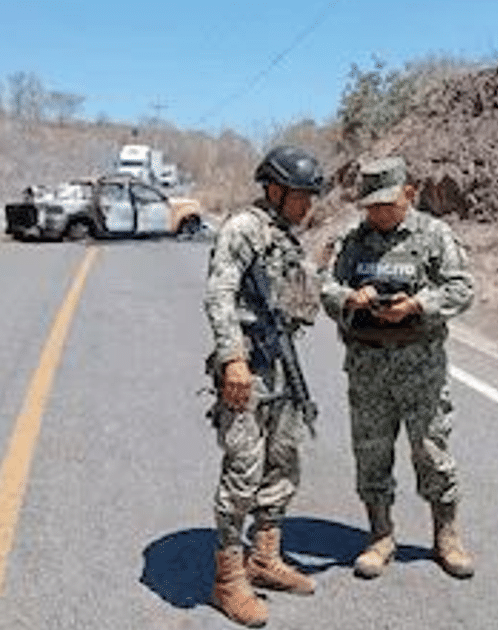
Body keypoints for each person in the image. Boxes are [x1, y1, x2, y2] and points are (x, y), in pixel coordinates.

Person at [319, 156, 476, 581]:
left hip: (420, 368)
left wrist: (418, 305)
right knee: (371, 453)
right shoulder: (354, 242)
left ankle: (446, 535)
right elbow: (327, 286)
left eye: (386, 204)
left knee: (431, 451)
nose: (379, 214)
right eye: (371, 206)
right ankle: (380, 535)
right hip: (367, 368)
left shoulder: (434, 235)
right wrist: (350, 299)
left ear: (409, 193)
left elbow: (462, 287)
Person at [203, 145, 324, 627]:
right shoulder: (243, 229)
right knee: (243, 469)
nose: (307, 204)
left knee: (284, 459)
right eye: (300, 195)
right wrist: (233, 357)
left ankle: (265, 557)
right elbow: (219, 293)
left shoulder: (285, 235)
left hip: (282, 366)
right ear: (274, 189)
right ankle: (228, 580)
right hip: (248, 368)